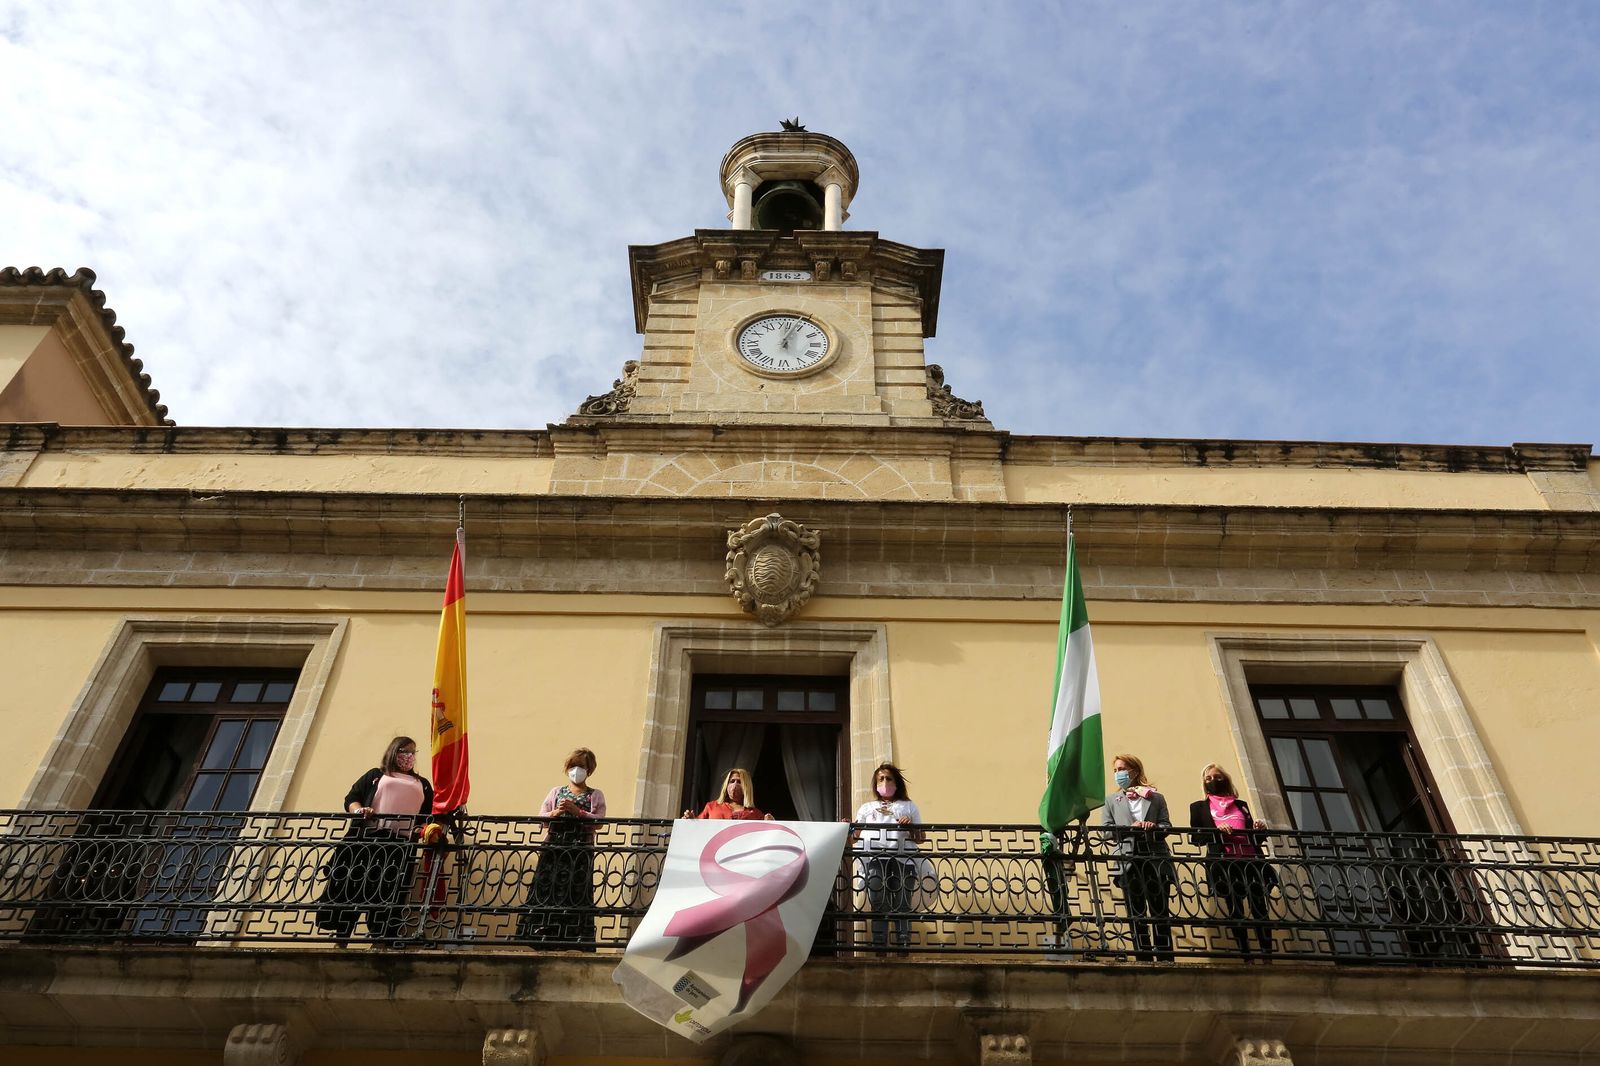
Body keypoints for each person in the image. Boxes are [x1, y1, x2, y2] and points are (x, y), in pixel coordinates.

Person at [315, 736, 433, 945]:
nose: (409, 756)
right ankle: (342, 935)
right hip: (368, 839)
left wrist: (421, 829)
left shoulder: (422, 784)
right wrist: (360, 810)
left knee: (388, 890)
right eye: (404, 751)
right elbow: (351, 798)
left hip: (400, 845)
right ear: (393, 752)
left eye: (413, 752)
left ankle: (380, 938)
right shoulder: (376, 775)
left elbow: (428, 814)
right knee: (355, 884)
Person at [518, 747, 606, 948]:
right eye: (573, 766)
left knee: (575, 890)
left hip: (579, 850)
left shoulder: (595, 795)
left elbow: (600, 822)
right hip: (554, 847)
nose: (577, 770)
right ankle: (543, 932)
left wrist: (579, 812)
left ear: (589, 770)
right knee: (548, 888)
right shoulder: (556, 792)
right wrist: (555, 813)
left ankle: (572, 936)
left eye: (581, 766)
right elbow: (541, 817)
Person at [1189, 763, 1277, 958]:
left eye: (1217, 777)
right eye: (1209, 778)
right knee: (1235, 908)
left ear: (1225, 779)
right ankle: (1246, 956)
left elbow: (1255, 839)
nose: (1213, 781)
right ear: (1204, 783)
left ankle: (1267, 955)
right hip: (1224, 863)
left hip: (1251, 861)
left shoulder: (1241, 805)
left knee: (1259, 907)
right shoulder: (1199, 808)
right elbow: (1195, 838)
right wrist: (1216, 831)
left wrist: (1258, 829)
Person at [1101, 752, 1176, 962]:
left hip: (1155, 857)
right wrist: (1129, 827)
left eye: (1122, 769)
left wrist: (1154, 827)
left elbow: (1166, 825)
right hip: (1128, 861)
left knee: (1160, 910)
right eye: (1115, 770)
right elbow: (1105, 832)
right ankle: (1143, 956)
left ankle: (1165, 958)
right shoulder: (1111, 800)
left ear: (1134, 771)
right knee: (1136, 912)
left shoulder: (1156, 797)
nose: (1118, 774)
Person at [849, 762, 923, 951]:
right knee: (879, 903)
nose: (884, 781)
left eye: (888, 778)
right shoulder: (867, 807)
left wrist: (910, 826)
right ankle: (879, 947)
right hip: (874, 859)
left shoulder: (909, 806)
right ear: (875, 784)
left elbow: (921, 838)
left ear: (896, 783)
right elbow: (854, 837)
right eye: (880, 779)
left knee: (902, 904)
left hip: (903, 860)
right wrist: (847, 827)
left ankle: (903, 948)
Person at [681, 767, 775, 821]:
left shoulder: (756, 814)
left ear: (747, 787)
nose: (734, 785)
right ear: (726, 785)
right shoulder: (712, 807)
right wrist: (691, 819)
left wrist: (771, 823)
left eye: (739, 782)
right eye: (732, 781)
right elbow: (698, 829)